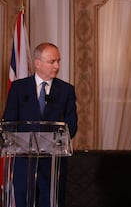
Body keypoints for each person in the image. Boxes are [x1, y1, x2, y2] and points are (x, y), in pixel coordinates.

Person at [2, 42, 78, 207]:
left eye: (58, 61)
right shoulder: (18, 88)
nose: (57, 66)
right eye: (52, 61)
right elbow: (8, 122)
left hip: (52, 165)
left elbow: (72, 124)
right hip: (23, 164)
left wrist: (54, 140)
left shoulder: (66, 90)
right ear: (38, 63)